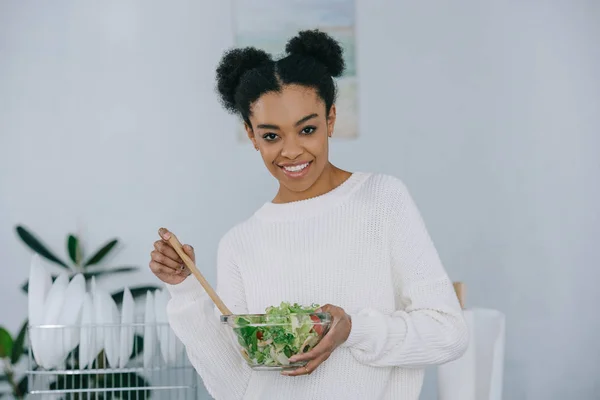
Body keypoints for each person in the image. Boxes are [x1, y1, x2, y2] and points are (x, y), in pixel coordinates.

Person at [149, 29, 468, 400]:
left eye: (308, 129)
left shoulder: (382, 200)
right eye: (271, 136)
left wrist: (353, 330)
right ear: (251, 135)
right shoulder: (239, 243)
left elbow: (449, 334)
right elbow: (235, 388)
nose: (292, 151)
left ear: (331, 119)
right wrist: (186, 290)